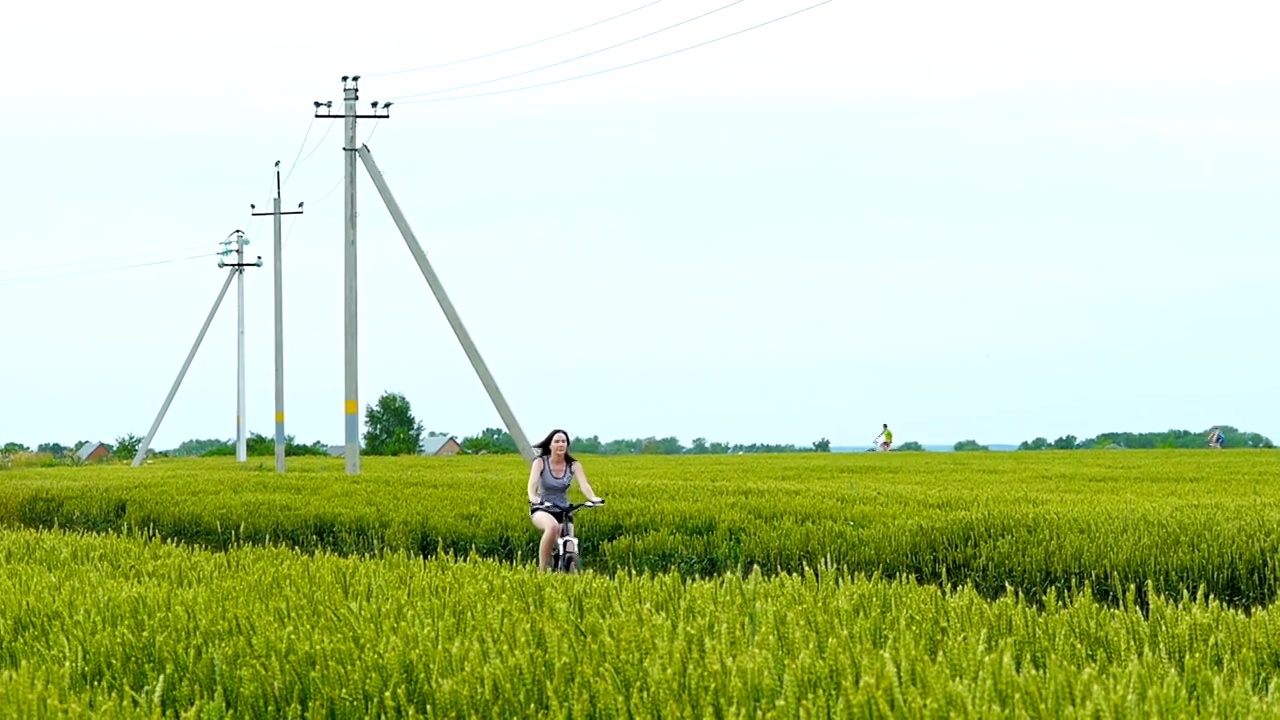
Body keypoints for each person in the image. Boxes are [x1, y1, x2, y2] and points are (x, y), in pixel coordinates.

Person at [527, 429, 602, 570]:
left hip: (563, 509)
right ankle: (542, 569)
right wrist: (533, 497)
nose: (560, 444)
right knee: (552, 527)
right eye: (557, 441)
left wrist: (593, 498)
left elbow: (584, 485)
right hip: (543, 507)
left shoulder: (574, 465)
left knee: (569, 544)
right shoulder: (540, 462)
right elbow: (532, 484)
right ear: (550, 445)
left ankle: (570, 570)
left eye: (563, 441)